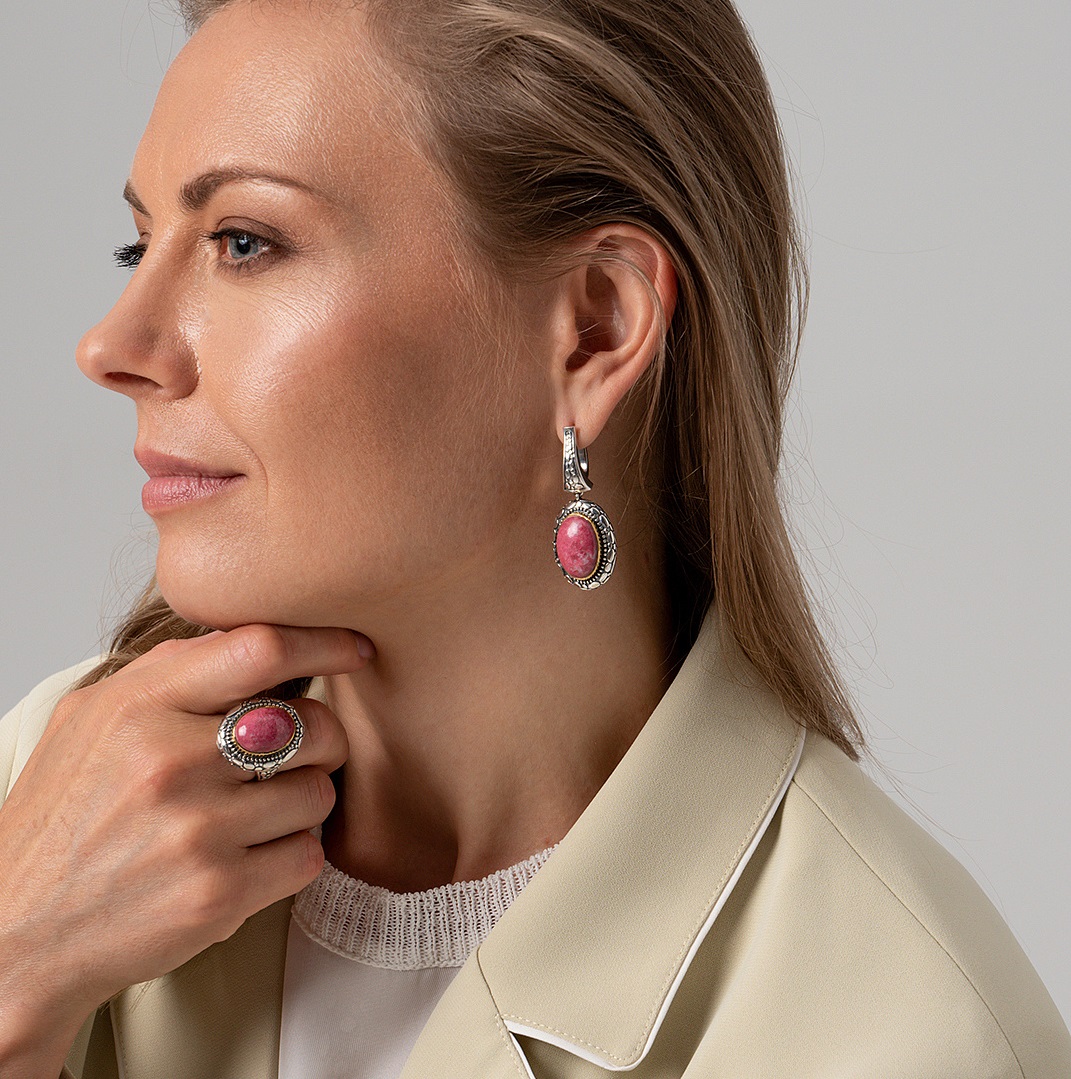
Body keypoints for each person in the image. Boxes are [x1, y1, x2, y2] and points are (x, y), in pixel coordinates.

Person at [0, 0, 1068, 1076]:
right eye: (138, 243)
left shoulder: (909, 1035)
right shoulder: (44, 804)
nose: (112, 344)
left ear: (594, 328)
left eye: (244, 242)